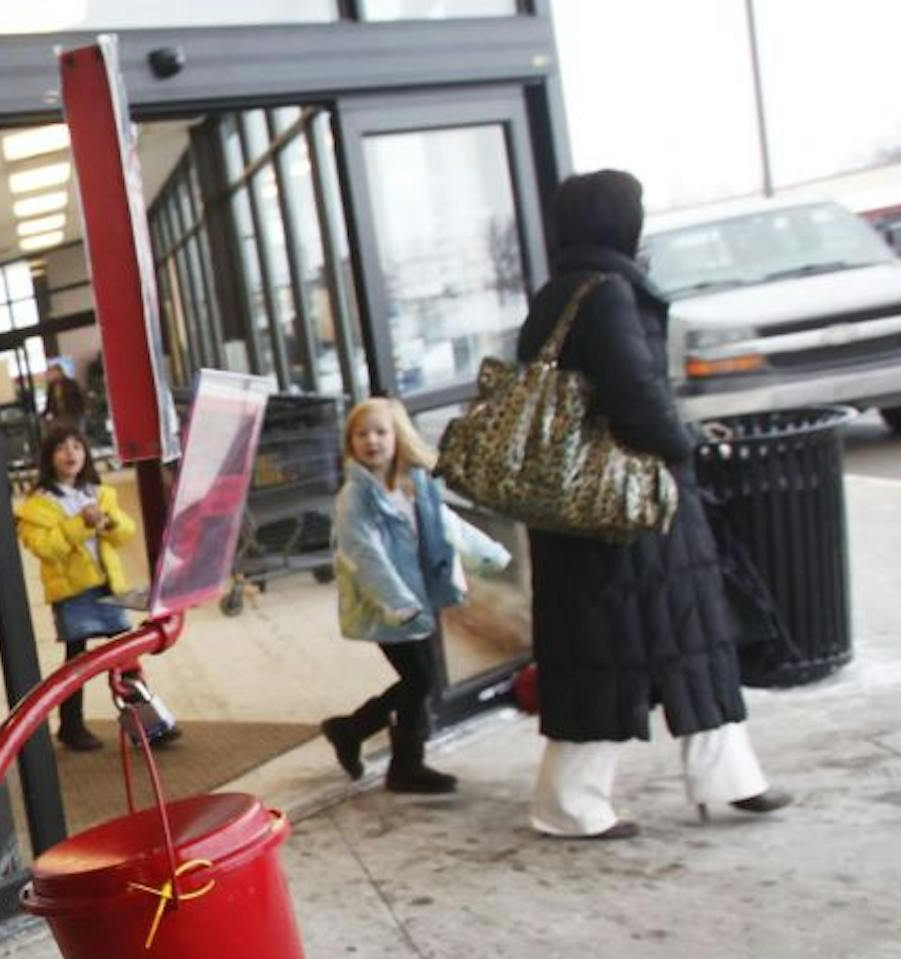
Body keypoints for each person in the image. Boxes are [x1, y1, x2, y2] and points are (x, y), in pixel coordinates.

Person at [514, 169, 791, 840]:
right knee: (626, 648)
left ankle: (730, 776)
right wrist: (682, 445)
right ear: (620, 223)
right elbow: (637, 395)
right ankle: (569, 804)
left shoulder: (559, 293)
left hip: (590, 511)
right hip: (627, 504)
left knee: (680, 636)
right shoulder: (607, 294)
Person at [321, 398, 510, 793]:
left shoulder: (413, 483)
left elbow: (446, 524)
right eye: (361, 434)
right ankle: (402, 764)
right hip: (383, 608)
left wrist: (486, 552)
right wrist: (398, 603)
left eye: (380, 432)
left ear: (398, 436)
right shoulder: (355, 497)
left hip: (418, 599)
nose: (371, 440)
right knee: (420, 678)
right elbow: (363, 555)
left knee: (419, 679)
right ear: (350, 442)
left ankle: (353, 730)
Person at [14, 422, 173, 752]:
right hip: (73, 594)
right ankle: (71, 727)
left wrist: (108, 521)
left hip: (107, 586)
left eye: (76, 446)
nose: (70, 453)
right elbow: (45, 548)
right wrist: (81, 524)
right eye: (61, 447)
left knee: (125, 657)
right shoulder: (37, 504)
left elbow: (125, 531)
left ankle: (149, 727)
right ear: (49, 458)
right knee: (77, 663)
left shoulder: (97, 492)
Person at [39, 356, 87, 432]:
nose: (49, 375)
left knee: (75, 432)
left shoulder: (71, 384)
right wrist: (44, 414)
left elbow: (80, 397)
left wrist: (82, 410)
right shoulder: (52, 387)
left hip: (72, 413)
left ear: (59, 372)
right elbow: (49, 402)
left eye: (51, 372)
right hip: (59, 415)